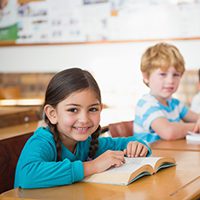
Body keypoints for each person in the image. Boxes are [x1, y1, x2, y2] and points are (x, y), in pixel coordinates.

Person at [14, 67, 151, 189]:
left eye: (92, 109)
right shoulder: (42, 142)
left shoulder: (88, 142)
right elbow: (28, 175)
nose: (84, 119)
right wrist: (92, 166)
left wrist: (139, 146)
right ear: (52, 114)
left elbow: (123, 144)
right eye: (73, 110)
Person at [134, 43, 200, 143]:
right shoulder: (146, 104)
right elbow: (168, 132)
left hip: (170, 153)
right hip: (151, 157)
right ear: (146, 77)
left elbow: (197, 117)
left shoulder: (175, 104)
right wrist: (196, 126)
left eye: (176, 75)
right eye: (163, 74)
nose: (170, 80)